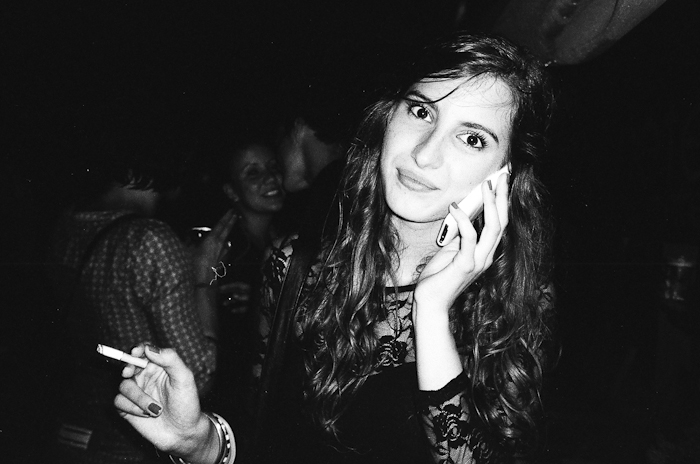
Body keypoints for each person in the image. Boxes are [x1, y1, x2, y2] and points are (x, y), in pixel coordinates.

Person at [113, 33, 557, 464]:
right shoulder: (294, 267)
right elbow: (263, 438)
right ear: (388, 116)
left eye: (472, 138)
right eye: (421, 111)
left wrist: (432, 311)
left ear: (505, 175)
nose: (425, 154)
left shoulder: (518, 300)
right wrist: (198, 441)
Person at [47, 126, 236, 464]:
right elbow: (198, 375)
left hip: (72, 427)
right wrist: (203, 280)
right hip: (132, 443)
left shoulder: (67, 223)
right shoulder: (150, 239)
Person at [204, 137, 287, 423]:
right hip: (234, 397)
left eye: (274, 167)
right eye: (253, 173)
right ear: (232, 191)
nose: (271, 178)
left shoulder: (285, 238)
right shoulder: (226, 249)